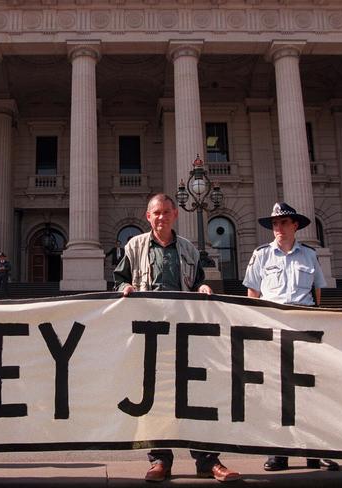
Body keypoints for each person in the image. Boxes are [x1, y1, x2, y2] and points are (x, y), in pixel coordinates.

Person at [114, 193, 241, 483]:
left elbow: (197, 282)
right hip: (150, 333)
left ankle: (208, 460)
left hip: (186, 333)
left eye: (166, 212)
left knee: (197, 395)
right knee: (156, 397)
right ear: (148, 217)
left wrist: (205, 288)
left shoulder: (188, 249)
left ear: (175, 215)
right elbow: (119, 279)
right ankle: (161, 459)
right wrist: (125, 287)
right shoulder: (134, 246)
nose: (161, 217)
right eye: (156, 213)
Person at [242, 202, 339, 473]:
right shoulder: (261, 255)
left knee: (309, 393)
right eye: (275, 224)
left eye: (284, 223)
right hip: (273, 332)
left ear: (295, 225)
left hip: (304, 332)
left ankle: (314, 452)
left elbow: (317, 296)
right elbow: (253, 295)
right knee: (275, 393)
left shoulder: (309, 255)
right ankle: (279, 453)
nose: (278, 228)